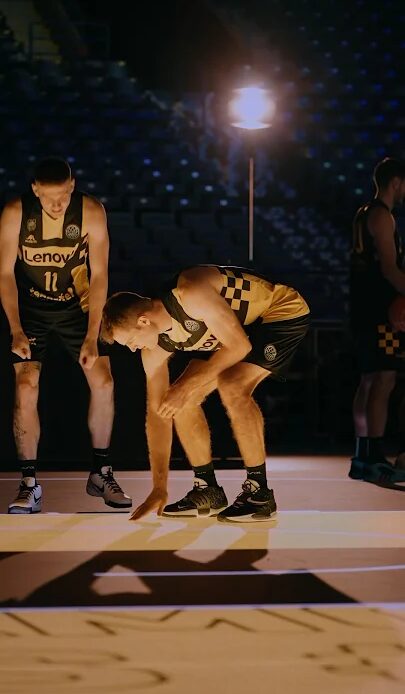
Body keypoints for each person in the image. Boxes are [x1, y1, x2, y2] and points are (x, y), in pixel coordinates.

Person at [101, 265, 310, 522]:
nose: (133, 349)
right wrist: (159, 487)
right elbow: (158, 416)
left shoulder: (190, 293)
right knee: (178, 401)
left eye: (130, 341)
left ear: (143, 320)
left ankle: (260, 494)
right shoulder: (153, 350)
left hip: (278, 312)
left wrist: (184, 387)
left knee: (232, 386)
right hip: (234, 330)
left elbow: (240, 345)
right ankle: (207, 488)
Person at [0, 156, 132, 513]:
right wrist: (15, 328)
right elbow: (6, 274)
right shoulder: (16, 213)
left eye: (63, 196)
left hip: (79, 306)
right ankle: (29, 483)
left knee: (103, 382)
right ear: (35, 190)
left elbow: (101, 273)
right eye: (49, 198)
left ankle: (102, 472)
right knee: (26, 385)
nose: (57, 206)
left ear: (72, 187)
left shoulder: (90, 211)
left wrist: (92, 334)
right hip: (31, 309)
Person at [349, 157, 405, 489]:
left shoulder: (363, 213)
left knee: (369, 381)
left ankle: (362, 455)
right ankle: (373, 458)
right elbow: (388, 269)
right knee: (383, 379)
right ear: (396, 182)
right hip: (378, 311)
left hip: (362, 308)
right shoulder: (382, 216)